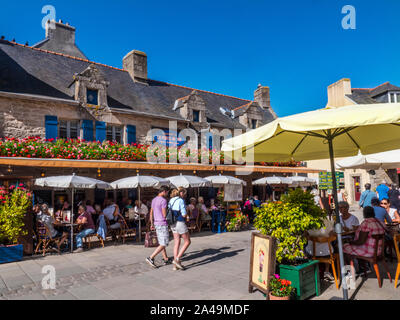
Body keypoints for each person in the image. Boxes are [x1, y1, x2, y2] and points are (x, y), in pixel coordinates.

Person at [145, 186, 171, 268]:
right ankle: (151, 257)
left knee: (161, 242)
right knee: (164, 243)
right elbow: (164, 214)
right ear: (164, 191)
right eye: (167, 192)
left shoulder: (154, 200)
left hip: (156, 223)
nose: (167, 194)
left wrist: (151, 223)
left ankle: (165, 258)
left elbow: (151, 212)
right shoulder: (163, 200)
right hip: (162, 223)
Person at [305, 217, 336, 282]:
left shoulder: (308, 223)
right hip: (327, 253)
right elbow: (332, 236)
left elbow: (306, 237)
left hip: (312, 253)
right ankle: (327, 271)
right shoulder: (328, 223)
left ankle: (312, 271)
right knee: (331, 248)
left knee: (304, 247)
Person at [169, 187, 191, 271]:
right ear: (181, 192)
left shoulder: (171, 200)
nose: (185, 195)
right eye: (184, 193)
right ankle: (177, 259)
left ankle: (175, 265)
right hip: (180, 222)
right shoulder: (181, 200)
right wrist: (187, 212)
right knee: (187, 241)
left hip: (172, 223)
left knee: (176, 243)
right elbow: (184, 214)